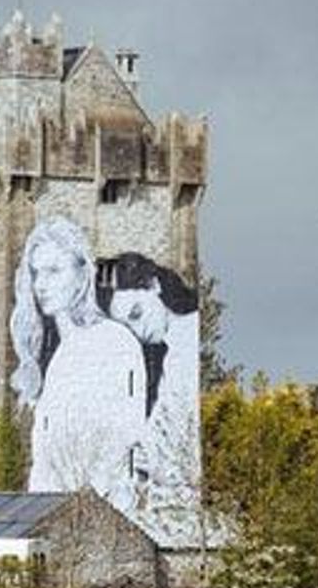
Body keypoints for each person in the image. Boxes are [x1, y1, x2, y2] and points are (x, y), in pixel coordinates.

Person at [10, 217, 145, 513]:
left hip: (102, 517)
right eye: (36, 273)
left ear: (83, 275)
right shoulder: (57, 360)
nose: (41, 285)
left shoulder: (115, 343)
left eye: (54, 271)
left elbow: (124, 441)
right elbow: (45, 468)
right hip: (57, 521)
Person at [106, 252, 202, 545]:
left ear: (155, 286)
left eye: (136, 314)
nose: (137, 331)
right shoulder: (172, 353)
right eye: (126, 326)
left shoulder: (189, 344)